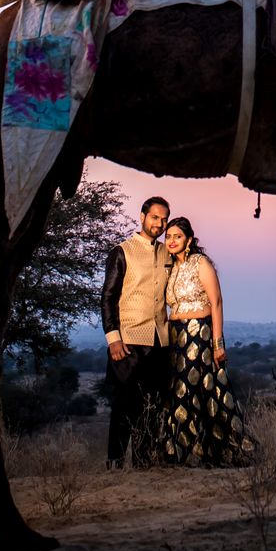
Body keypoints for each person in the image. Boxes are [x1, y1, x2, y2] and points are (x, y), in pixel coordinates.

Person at [162, 216, 254, 465]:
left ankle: (220, 452)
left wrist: (217, 343)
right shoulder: (170, 267)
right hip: (175, 336)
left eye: (177, 236)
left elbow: (217, 302)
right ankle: (181, 454)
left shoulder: (200, 263)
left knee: (196, 391)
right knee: (178, 394)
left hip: (199, 334)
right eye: (168, 236)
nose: (171, 241)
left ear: (189, 240)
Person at [100, 196, 172, 468]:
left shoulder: (167, 253)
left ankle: (144, 463)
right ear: (142, 216)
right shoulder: (122, 251)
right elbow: (108, 297)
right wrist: (113, 339)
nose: (160, 224)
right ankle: (115, 463)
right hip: (128, 341)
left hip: (160, 341)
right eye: (155, 217)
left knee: (152, 406)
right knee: (124, 406)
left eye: (164, 219)